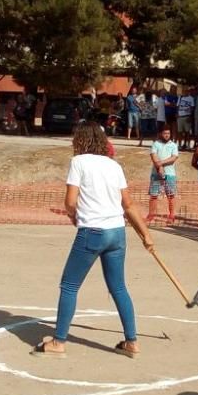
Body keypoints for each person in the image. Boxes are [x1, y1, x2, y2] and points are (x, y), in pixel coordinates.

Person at [33, 122, 155, 359]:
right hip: (117, 232)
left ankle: (59, 342)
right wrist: (146, 235)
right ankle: (132, 342)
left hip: (93, 232)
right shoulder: (114, 165)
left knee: (69, 286)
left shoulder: (78, 163)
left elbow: (70, 201)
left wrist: (73, 214)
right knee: (119, 288)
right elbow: (128, 205)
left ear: (80, 140)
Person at [147, 125, 179, 224]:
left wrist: (160, 163)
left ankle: (172, 215)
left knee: (171, 195)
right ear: (161, 133)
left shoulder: (173, 145)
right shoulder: (156, 144)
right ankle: (151, 215)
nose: (166, 135)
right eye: (165, 133)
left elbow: (174, 158)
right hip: (156, 174)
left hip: (170, 174)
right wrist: (159, 167)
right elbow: (154, 156)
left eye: (168, 133)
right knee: (153, 195)